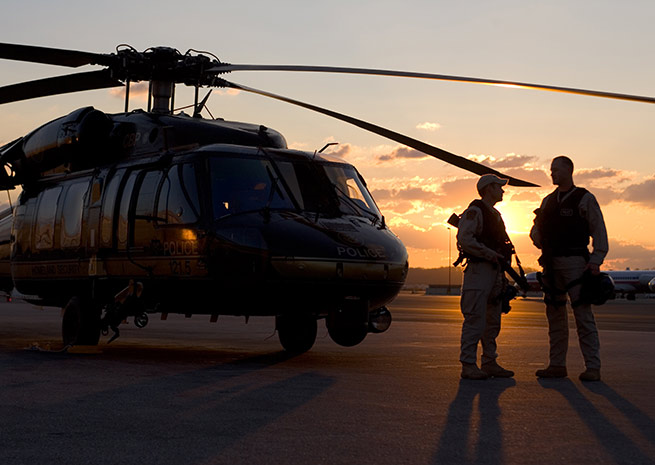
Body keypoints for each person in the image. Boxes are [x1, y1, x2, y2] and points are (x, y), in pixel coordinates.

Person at [530, 155, 608, 382]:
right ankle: (556, 364)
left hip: (576, 263)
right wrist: (540, 242)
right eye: (551, 169)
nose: (552, 173)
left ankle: (592, 366)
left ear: (569, 170)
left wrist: (596, 259)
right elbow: (536, 230)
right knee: (555, 315)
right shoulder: (547, 201)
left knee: (583, 316)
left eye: (555, 169)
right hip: (551, 264)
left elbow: (599, 230)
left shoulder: (584, 199)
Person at [456, 174, 515, 380]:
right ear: (488, 188)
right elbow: (465, 239)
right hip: (479, 271)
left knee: (492, 321)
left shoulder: (495, 215)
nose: (502, 190)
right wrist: (489, 253)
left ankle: (489, 362)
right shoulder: (475, 211)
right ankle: (469, 364)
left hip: (494, 272)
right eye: (499, 186)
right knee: (475, 319)